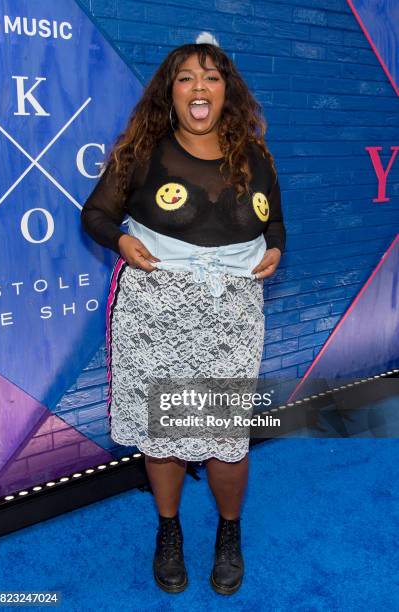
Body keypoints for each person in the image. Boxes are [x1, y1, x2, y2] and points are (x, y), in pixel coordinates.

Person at [81, 42, 286, 596]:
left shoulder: (257, 157)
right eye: (187, 79)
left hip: (231, 317)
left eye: (212, 78)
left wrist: (275, 249)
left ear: (228, 91)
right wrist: (122, 240)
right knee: (164, 432)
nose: (200, 88)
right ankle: (168, 531)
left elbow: (276, 225)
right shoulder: (145, 153)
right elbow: (96, 215)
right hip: (156, 315)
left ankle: (228, 533)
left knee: (226, 437)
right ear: (169, 94)